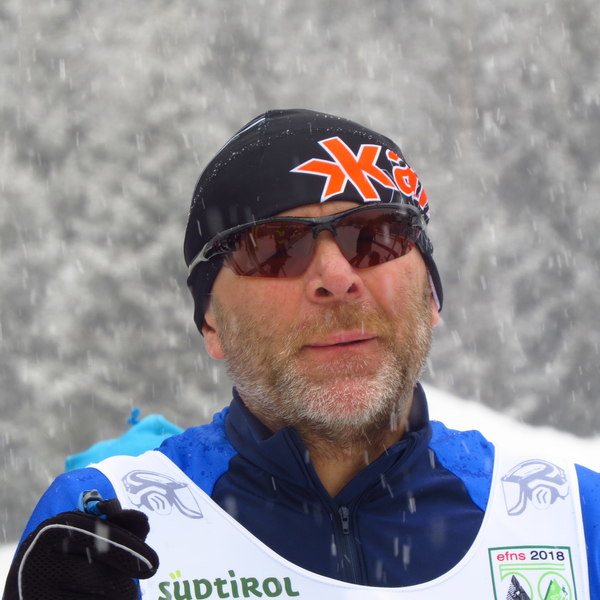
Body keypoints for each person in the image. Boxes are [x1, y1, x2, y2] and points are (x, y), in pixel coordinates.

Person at [4, 109, 599, 600]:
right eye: (274, 249)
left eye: (374, 236)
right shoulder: (107, 531)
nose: (336, 278)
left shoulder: (573, 519)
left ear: (431, 295)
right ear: (211, 323)